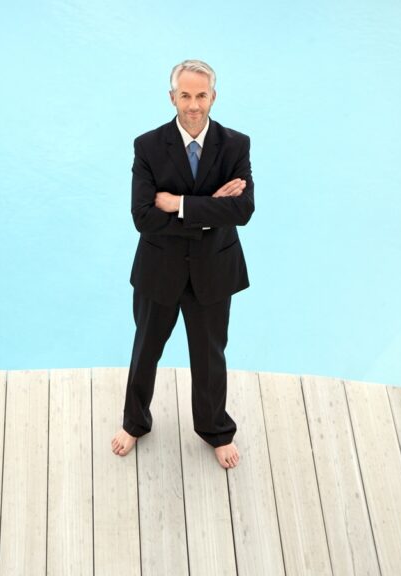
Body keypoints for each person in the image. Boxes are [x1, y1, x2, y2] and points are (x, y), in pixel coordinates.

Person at [111, 59, 254, 470]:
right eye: (186, 95)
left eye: (201, 95)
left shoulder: (236, 145)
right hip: (160, 270)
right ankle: (134, 422)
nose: (194, 105)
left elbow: (243, 209)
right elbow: (142, 217)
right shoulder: (148, 146)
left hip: (214, 271)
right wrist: (210, 211)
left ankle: (215, 429)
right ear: (172, 96)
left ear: (214, 97)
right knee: (146, 351)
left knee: (210, 356)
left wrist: (178, 205)